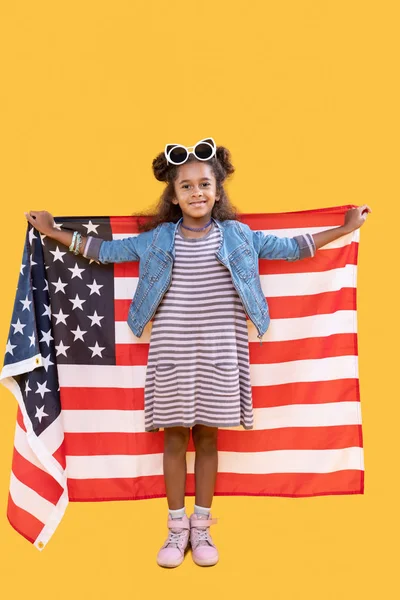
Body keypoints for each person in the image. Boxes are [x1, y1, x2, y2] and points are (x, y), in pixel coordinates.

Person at [24, 137, 372, 568]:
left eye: (204, 184)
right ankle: (175, 529)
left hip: (222, 350)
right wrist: (54, 232)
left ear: (218, 190)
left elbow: (292, 248)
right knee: (174, 436)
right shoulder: (156, 240)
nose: (196, 193)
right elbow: (107, 252)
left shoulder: (240, 236)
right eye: (186, 186)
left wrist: (345, 228)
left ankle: (201, 526)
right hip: (171, 349)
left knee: (208, 437)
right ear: (173, 195)